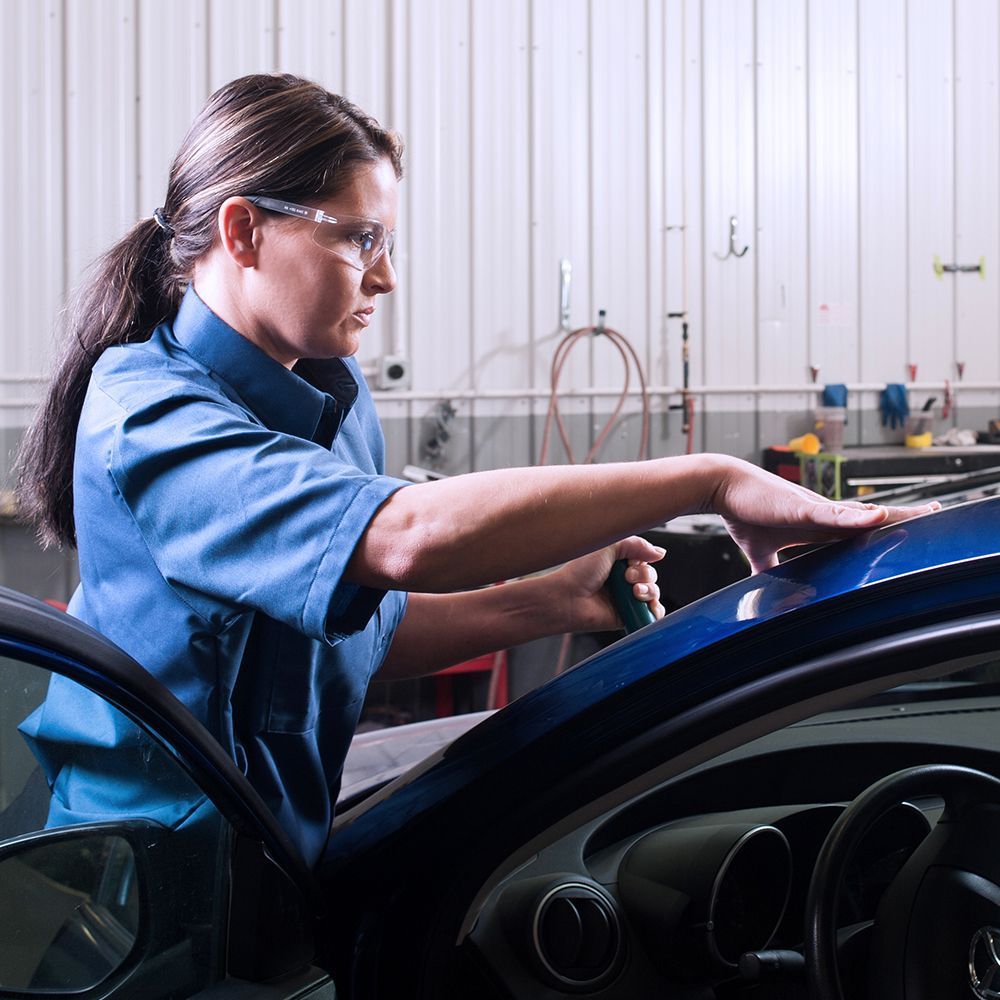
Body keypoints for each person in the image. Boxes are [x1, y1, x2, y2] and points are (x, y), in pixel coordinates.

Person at [14, 73, 937, 866]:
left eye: (387, 243)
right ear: (244, 230)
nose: (385, 279)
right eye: (359, 239)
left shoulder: (331, 399)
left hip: (273, 861)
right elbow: (405, 541)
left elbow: (353, 639)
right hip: (152, 886)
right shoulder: (151, 416)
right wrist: (711, 479)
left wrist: (550, 601)